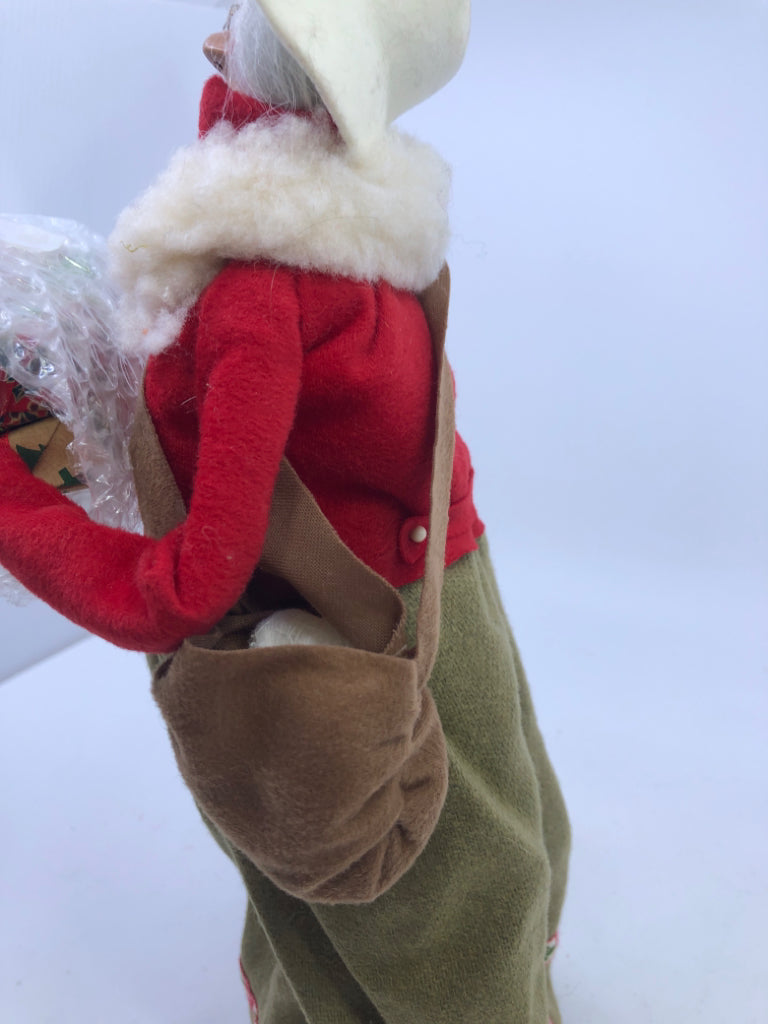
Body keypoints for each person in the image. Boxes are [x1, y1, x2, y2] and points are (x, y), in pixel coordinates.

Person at [0, 2, 570, 1020]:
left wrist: (17, 504)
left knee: (407, 895)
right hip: (438, 573)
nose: (212, 41)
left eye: (234, 24)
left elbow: (185, 588)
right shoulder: (366, 206)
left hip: (330, 636)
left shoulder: (257, 289)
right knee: (492, 820)